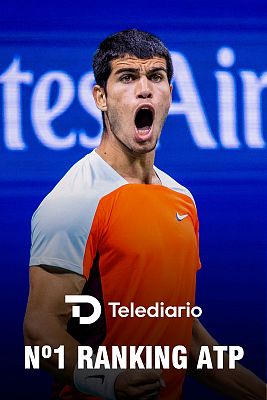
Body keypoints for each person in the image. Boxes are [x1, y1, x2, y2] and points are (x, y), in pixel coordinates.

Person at [24, 29, 265, 400]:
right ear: (100, 97)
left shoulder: (181, 199)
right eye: (126, 77)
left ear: (170, 93)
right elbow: (40, 330)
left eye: (155, 77)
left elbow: (178, 330)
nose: (144, 89)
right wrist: (110, 381)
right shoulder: (72, 202)